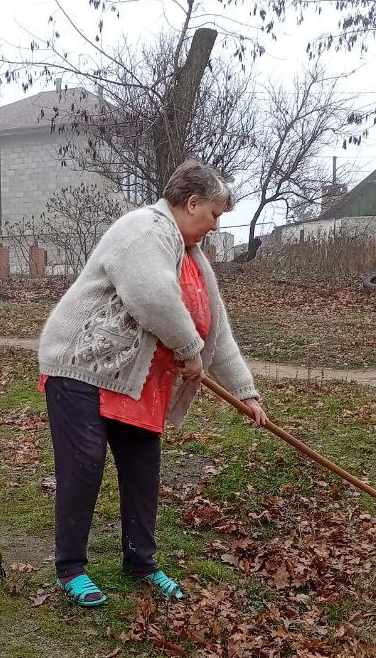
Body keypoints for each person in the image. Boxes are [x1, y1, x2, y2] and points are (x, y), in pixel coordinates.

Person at [37, 159, 268, 608]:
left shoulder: (194, 258)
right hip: (80, 366)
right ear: (192, 201)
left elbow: (214, 331)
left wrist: (246, 392)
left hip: (134, 380)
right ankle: (71, 568)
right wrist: (187, 351)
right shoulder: (146, 230)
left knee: (143, 469)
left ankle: (140, 563)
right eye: (215, 214)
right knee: (84, 462)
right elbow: (152, 295)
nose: (215, 225)